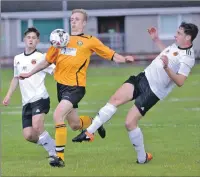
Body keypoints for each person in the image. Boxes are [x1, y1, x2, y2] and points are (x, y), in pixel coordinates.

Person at [19, 9, 134, 167]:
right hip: (61, 87)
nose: (73, 22)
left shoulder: (90, 41)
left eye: (77, 19)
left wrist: (124, 59)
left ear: (84, 23)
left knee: (58, 115)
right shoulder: (60, 38)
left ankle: (59, 158)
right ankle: (95, 123)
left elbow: (110, 54)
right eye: (72, 19)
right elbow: (47, 61)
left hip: (76, 87)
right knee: (74, 125)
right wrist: (30, 73)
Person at [72, 22, 199, 164]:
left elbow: (180, 81)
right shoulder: (176, 45)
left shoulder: (188, 57)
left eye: (179, 33)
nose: (175, 35)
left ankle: (142, 158)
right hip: (143, 77)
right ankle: (89, 132)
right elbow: (169, 55)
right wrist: (156, 40)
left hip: (153, 91)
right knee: (115, 99)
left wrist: (167, 68)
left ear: (188, 37)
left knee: (129, 123)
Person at [2, 27, 56, 157]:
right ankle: (53, 144)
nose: (31, 40)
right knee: (29, 135)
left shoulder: (42, 57)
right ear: (24, 40)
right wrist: (8, 95)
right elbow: (16, 78)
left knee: (37, 126)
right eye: (28, 37)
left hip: (40, 97)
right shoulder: (17, 58)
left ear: (37, 41)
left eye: (34, 38)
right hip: (26, 102)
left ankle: (54, 153)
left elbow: (55, 71)